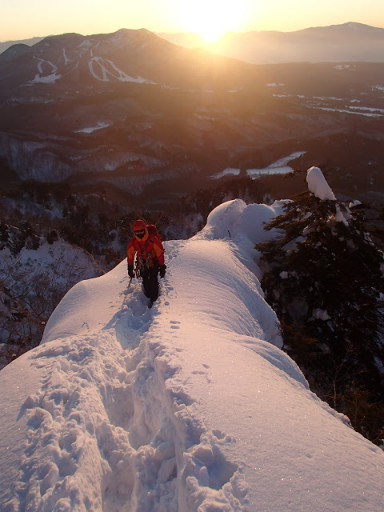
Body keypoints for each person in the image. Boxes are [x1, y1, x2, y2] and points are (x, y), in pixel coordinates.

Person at [127, 219, 166, 306]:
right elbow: (130, 255)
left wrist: (162, 266)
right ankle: (149, 295)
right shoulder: (135, 242)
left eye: (141, 231)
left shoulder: (153, 240)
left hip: (153, 262)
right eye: (137, 232)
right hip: (142, 263)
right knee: (145, 280)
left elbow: (159, 254)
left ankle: (154, 299)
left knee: (153, 280)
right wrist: (130, 267)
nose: (139, 234)